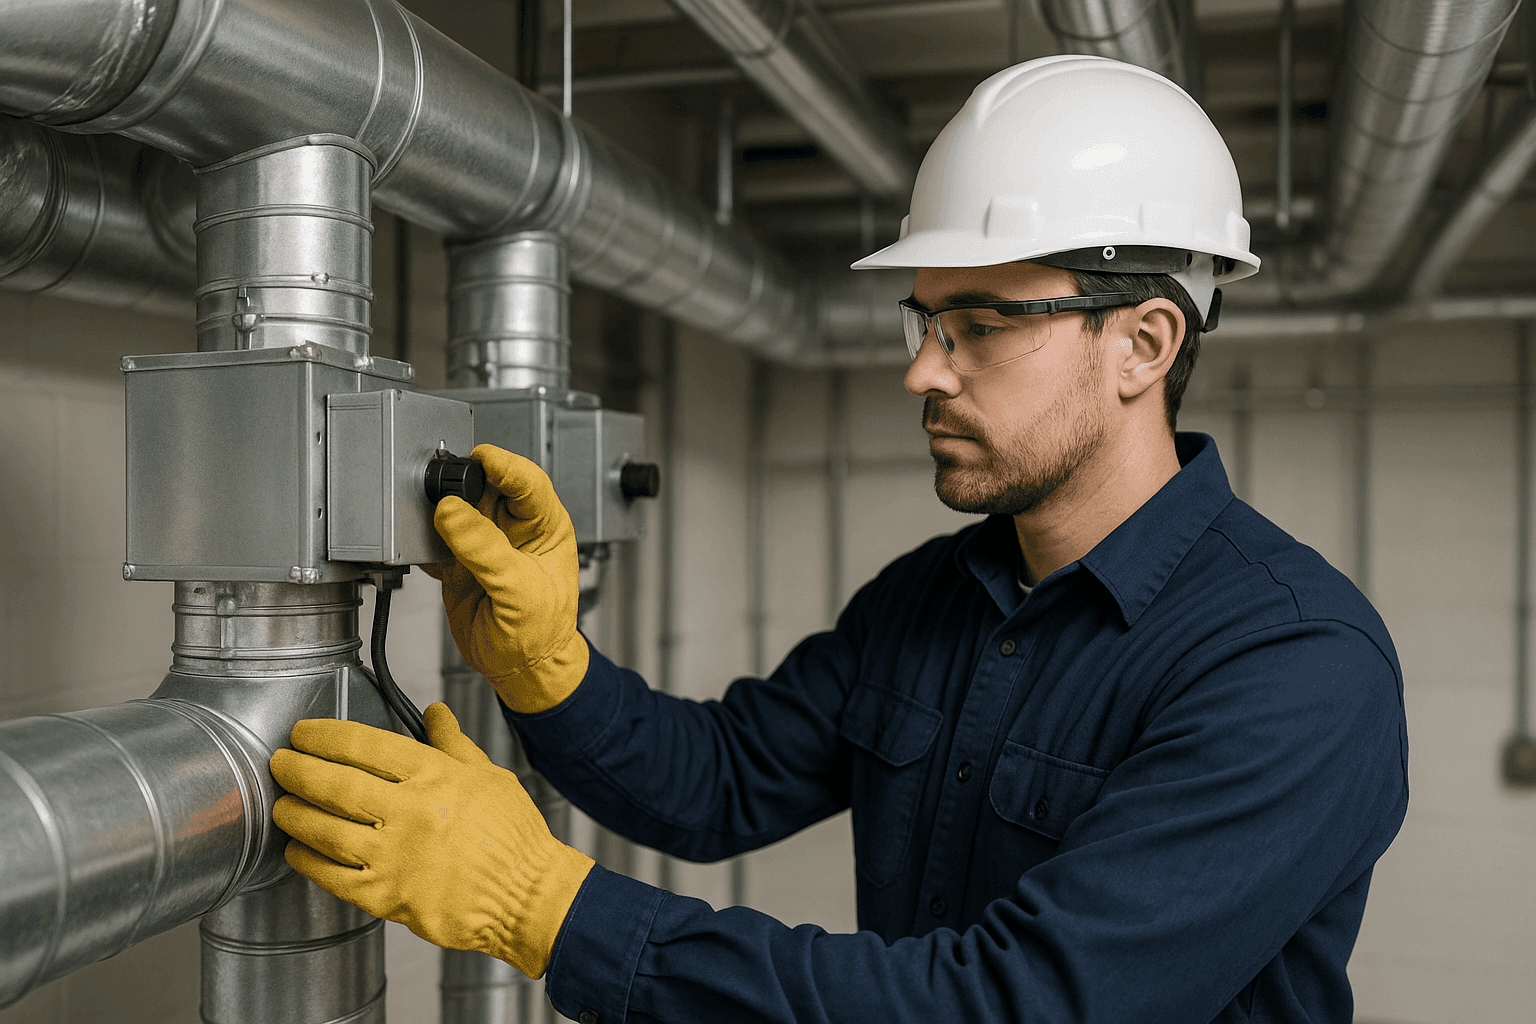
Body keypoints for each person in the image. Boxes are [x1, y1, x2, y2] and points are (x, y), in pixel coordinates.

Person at [269, 56, 1408, 1023]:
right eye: (925, 318)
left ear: (1145, 343)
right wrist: (549, 671)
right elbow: (716, 782)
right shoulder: (935, 596)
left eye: (980, 324)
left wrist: (548, 909)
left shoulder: (1294, 666)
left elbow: (1012, 1004)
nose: (921, 368)